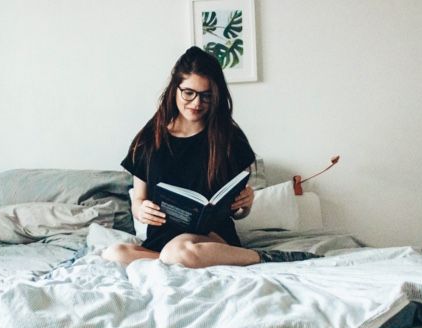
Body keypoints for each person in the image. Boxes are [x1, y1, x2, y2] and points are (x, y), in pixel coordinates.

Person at [103, 46, 318, 268]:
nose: (196, 103)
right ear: (174, 88)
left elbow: (238, 212)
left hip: (212, 239)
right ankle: (173, 260)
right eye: (189, 93)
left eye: (206, 96)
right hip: (162, 241)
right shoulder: (150, 137)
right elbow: (138, 201)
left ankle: (262, 258)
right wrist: (142, 210)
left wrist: (246, 204)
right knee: (115, 253)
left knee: (177, 250)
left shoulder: (229, 138)